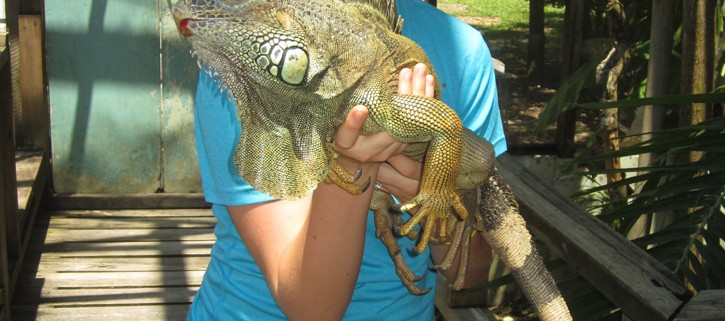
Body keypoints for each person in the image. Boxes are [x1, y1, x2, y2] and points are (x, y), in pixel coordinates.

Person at [186, 0, 507, 320]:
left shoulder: (460, 48)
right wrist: (354, 164)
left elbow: (471, 275)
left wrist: (435, 201)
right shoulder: (245, 47)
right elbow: (314, 311)